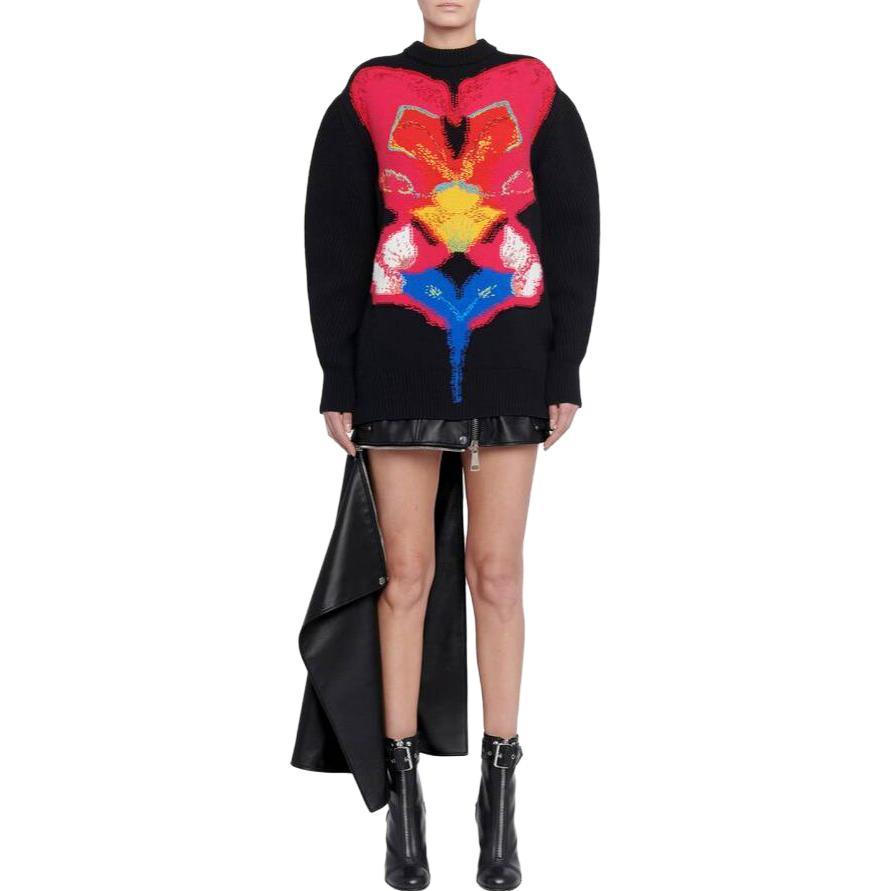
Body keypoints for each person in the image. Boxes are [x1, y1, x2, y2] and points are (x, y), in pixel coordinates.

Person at [292, 1, 599, 888]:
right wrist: (337, 374)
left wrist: (565, 366)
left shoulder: (536, 89)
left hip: (510, 355)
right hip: (396, 361)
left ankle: (498, 804)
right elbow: (332, 240)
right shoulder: (367, 93)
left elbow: (572, 233)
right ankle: (405, 804)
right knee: (406, 575)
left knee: (497, 574)